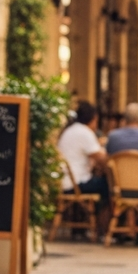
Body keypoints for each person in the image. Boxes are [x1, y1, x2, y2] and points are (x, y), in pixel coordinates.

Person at [58, 101, 109, 236]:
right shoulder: (84, 132)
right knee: (109, 186)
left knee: (98, 182)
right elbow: (101, 159)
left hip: (65, 181)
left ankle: (80, 228)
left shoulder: (70, 130)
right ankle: (103, 228)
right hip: (75, 183)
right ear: (93, 119)